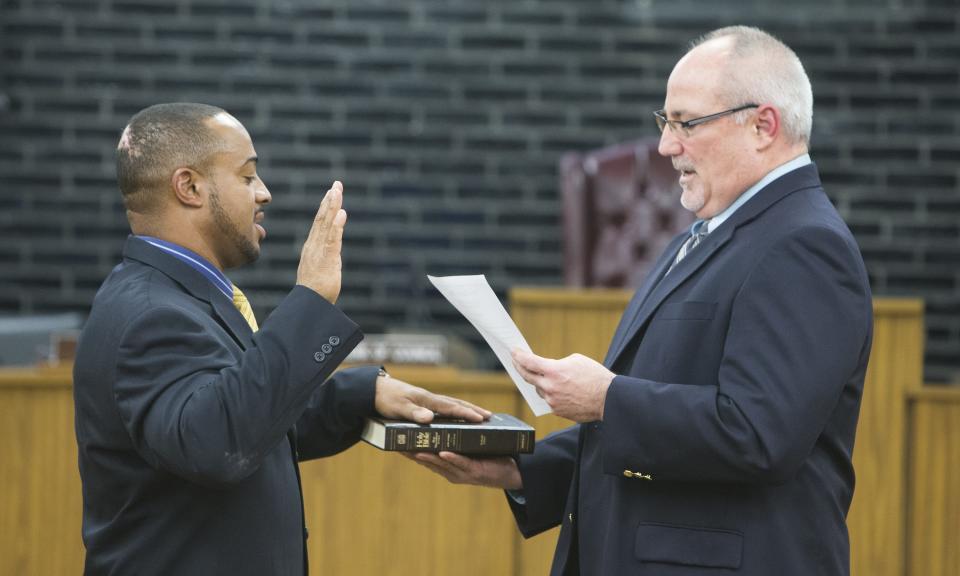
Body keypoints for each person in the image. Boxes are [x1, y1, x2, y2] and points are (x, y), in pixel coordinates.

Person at [411, 26, 873, 575]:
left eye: (686, 123)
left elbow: (756, 435)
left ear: (762, 125)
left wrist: (609, 398)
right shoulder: (704, 235)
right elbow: (670, 416)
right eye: (665, 122)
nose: (665, 145)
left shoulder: (804, 245)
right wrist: (519, 467)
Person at [72, 102, 491, 576]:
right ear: (189, 186)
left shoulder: (176, 296)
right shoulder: (152, 315)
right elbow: (220, 441)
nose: (264, 193)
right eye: (248, 176)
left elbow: (251, 415)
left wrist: (360, 394)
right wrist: (311, 299)